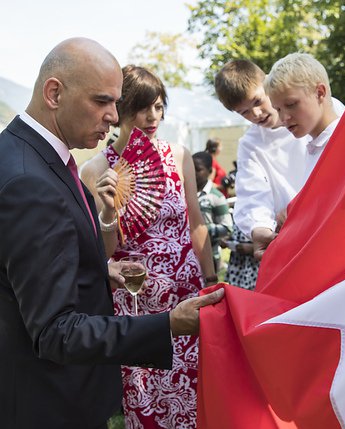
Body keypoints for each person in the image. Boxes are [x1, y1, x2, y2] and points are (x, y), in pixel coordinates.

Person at [0, 38, 224, 429]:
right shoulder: (29, 180)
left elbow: (21, 266)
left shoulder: (23, 153)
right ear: (54, 93)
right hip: (48, 400)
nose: (111, 115)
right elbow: (56, 331)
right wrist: (167, 323)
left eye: (116, 103)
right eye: (102, 101)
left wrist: (96, 270)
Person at [80, 65, 218, 429]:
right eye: (143, 107)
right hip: (137, 304)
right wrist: (110, 210)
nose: (152, 116)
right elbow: (101, 252)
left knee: (197, 395)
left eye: (159, 106)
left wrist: (210, 277)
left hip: (186, 292)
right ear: (121, 108)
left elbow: (196, 221)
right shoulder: (96, 170)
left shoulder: (179, 155)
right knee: (146, 402)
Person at [214, 59, 344, 261]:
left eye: (257, 101)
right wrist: (260, 228)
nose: (256, 114)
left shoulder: (326, 109)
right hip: (299, 235)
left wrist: (302, 204)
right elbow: (252, 193)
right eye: (244, 112)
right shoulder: (251, 144)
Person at [264, 52, 341, 183]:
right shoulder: (313, 150)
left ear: (319, 93)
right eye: (278, 109)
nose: (284, 118)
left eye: (291, 104)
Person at [192, 151, 233, 273]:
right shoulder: (186, 193)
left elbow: (227, 228)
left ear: (210, 172)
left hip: (210, 257)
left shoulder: (215, 196)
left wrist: (201, 230)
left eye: (198, 170)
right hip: (189, 256)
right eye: (191, 168)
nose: (193, 173)